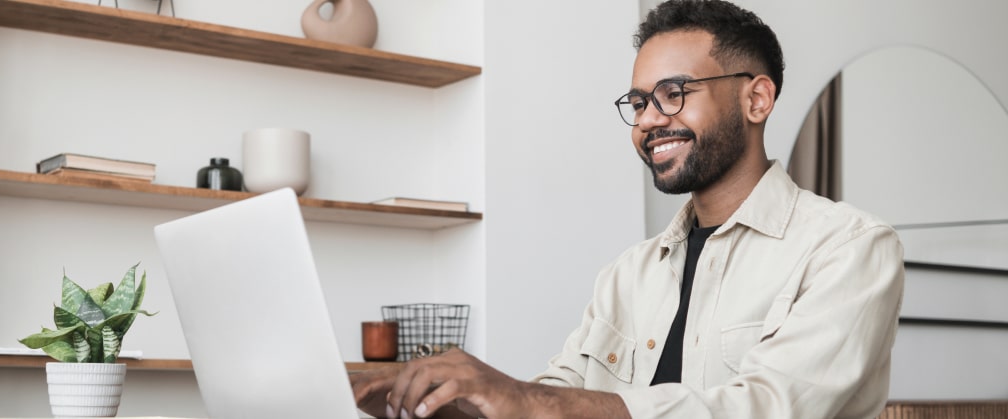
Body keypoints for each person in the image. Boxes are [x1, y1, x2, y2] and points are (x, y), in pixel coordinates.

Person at [350, 1, 905, 418]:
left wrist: (522, 397)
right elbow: (556, 395)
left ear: (755, 99)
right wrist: (440, 400)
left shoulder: (849, 248)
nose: (647, 121)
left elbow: (767, 407)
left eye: (672, 93)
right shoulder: (628, 275)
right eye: (639, 103)